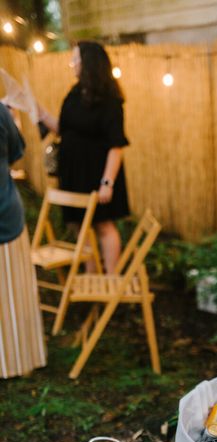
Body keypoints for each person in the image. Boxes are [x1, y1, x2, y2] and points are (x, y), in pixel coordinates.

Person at [38, 41, 130, 273]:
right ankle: (92, 272)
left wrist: (107, 183)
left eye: (75, 59)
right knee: (78, 224)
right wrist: (39, 112)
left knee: (103, 226)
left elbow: (116, 145)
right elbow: (64, 128)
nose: (72, 64)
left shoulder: (110, 101)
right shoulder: (74, 93)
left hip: (98, 174)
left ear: (88, 63)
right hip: (73, 173)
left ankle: (111, 279)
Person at [0, 103, 46, 378]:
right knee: (14, 292)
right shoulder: (1, 112)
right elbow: (17, 151)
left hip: (5, 217)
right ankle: (18, 358)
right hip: (6, 211)